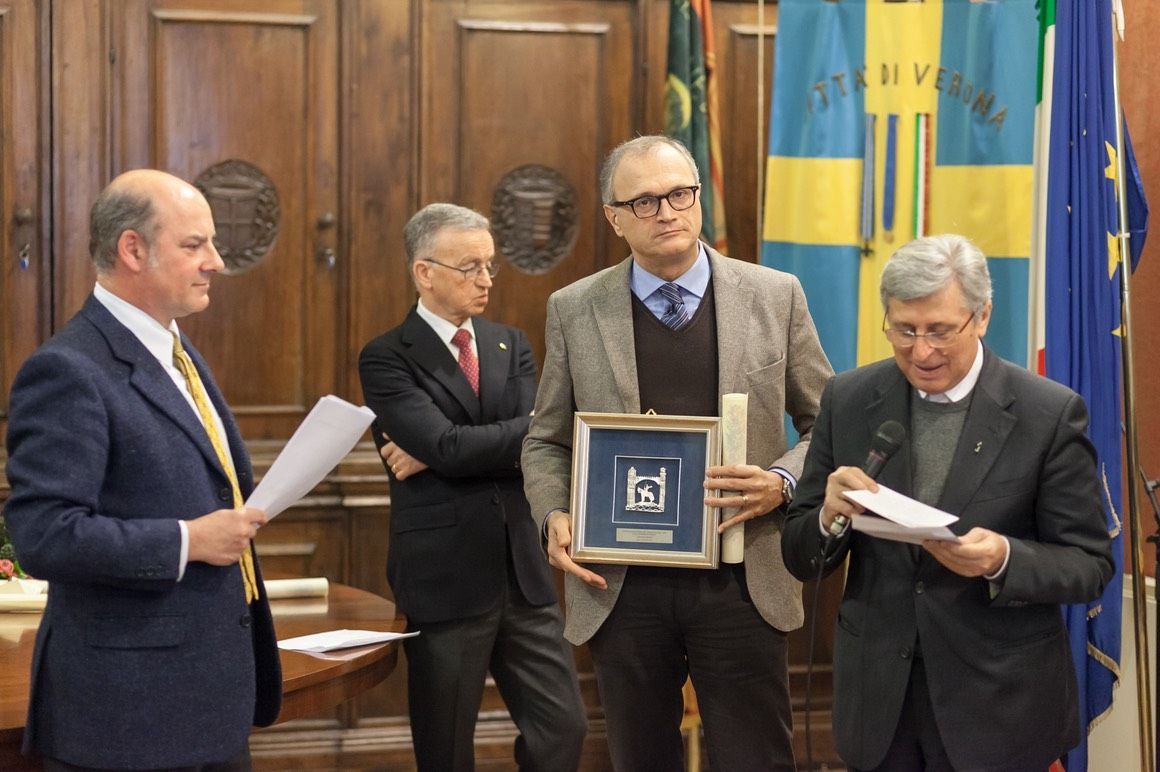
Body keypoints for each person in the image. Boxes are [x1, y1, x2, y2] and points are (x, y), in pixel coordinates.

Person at [521, 135, 833, 771]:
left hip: (743, 576)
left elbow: (829, 423)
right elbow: (545, 440)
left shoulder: (777, 294)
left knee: (756, 760)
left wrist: (781, 481)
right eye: (643, 201)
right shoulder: (574, 309)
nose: (667, 211)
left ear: (698, 197)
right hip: (621, 583)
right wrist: (553, 513)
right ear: (613, 217)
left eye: (679, 193)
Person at [781, 234, 1115, 771]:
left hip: (998, 708)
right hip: (881, 706)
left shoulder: (1047, 414)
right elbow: (800, 554)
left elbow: (1089, 564)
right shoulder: (848, 398)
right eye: (903, 330)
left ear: (981, 317)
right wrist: (827, 516)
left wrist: (1003, 559)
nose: (921, 351)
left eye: (940, 330)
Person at [4, 169, 281, 770]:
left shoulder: (177, 350)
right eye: (194, 245)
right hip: (126, 719)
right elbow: (44, 535)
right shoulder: (68, 370)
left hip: (207, 705)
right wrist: (187, 540)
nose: (216, 263)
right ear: (133, 249)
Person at [357, 203, 586, 772]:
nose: (486, 279)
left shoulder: (511, 343)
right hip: (445, 578)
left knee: (564, 729)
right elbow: (451, 447)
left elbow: (537, 442)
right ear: (424, 272)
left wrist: (450, 451)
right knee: (446, 749)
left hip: (522, 573)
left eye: (490, 266)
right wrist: (458, 449)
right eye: (470, 268)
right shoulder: (387, 356)